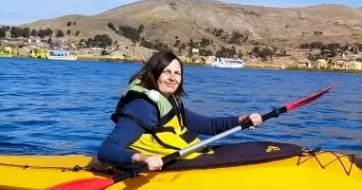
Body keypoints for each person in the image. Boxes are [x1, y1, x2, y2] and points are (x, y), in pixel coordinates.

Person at [97, 50, 263, 171]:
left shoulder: (170, 102)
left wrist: (241, 120)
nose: (173, 78)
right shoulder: (142, 107)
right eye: (166, 72)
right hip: (156, 168)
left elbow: (207, 125)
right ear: (154, 75)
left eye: (177, 73)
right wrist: (143, 159)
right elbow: (107, 150)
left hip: (185, 161)